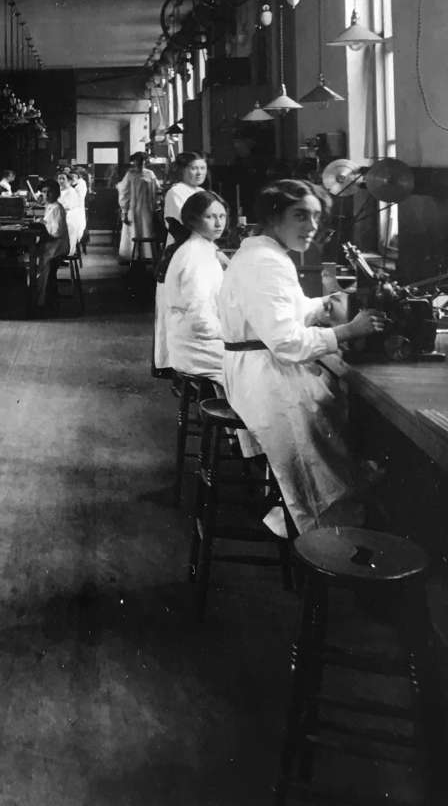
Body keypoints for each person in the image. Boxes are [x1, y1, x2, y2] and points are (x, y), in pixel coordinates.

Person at [218, 180, 387, 536]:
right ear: (273, 217)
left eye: (315, 216)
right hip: (269, 381)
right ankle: (325, 545)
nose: (311, 226)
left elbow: (276, 312)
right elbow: (287, 343)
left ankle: (316, 521)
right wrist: (347, 331)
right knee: (325, 477)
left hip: (256, 371)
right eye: (300, 216)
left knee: (336, 445)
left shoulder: (263, 254)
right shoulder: (266, 263)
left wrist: (320, 305)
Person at [160, 190, 230, 381]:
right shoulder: (194, 256)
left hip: (195, 337)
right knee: (261, 360)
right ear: (193, 220)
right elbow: (201, 321)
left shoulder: (205, 246)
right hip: (194, 346)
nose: (218, 223)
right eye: (210, 217)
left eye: (222, 216)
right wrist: (233, 332)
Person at [30, 178, 72, 309]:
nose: (46, 195)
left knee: (44, 264)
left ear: (57, 193)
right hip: (54, 244)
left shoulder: (57, 208)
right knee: (40, 259)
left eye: (50, 192)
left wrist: (42, 225)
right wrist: (42, 222)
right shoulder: (50, 206)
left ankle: (45, 300)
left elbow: (56, 232)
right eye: (44, 192)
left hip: (58, 246)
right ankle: (42, 297)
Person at [115, 152, 160, 264]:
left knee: (147, 230)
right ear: (134, 162)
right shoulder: (130, 174)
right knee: (133, 231)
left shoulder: (150, 174)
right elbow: (124, 192)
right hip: (133, 208)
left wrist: (157, 204)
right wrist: (124, 211)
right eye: (138, 161)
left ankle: (147, 256)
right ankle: (134, 256)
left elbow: (157, 190)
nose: (141, 164)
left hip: (147, 208)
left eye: (143, 161)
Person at [163, 151, 209, 245]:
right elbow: (186, 224)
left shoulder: (201, 191)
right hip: (183, 245)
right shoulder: (176, 192)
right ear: (182, 170)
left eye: (203, 168)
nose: (199, 173)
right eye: (194, 168)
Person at [59, 169, 87, 257]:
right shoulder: (60, 191)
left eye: (63, 179)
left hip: (69, 219)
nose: (61, 181)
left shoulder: (71, 192)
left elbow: (67, 207)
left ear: (69, 181)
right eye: (59, 179)